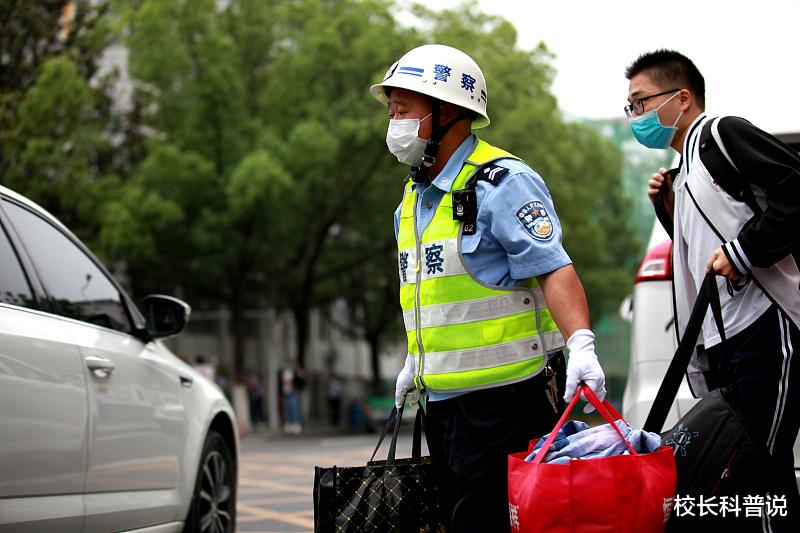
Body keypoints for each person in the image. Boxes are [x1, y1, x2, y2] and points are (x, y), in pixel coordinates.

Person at [370, 44, 607, 532]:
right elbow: (426, 295)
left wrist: (581, 343)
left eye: (404, 108)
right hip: (442, 405)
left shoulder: (503, 182)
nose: (394, 122)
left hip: (507, 403)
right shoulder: (412, 200)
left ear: (449, 112)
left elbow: (553, 268)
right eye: (390, 109)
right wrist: (416, 359)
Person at [625, 49, 800, 531]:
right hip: (727, 344)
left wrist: (744, 251)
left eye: (641, 102)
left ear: (681, 98)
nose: (635, 117)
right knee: (759, 470)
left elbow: (794, 189)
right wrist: (669, 207)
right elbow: (704, 249)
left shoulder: (722, 134)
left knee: (755, 466)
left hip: (766, 329)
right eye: (631, 107)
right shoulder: (686, 170)